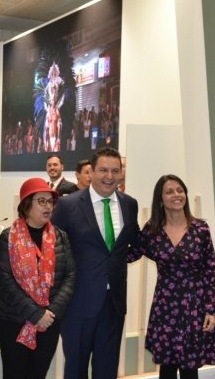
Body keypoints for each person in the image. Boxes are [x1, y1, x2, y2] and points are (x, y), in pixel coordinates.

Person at [51, 147, 139, 379]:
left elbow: (134, 243)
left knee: (107, 370)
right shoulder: (68, 205)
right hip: (78, 304)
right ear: (91, 172)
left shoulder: (130, 204)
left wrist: (115, 265)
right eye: (103, 170)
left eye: (115, 171)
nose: (109, 176)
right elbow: (54, 252)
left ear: (121, 173)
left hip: (114, 304)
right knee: (76, 369)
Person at [127, 174, 215, 379]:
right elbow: (130, 253)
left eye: (180, 190)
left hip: (194, 304)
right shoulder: (152, 230)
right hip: (166, 305)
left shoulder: (200, 229)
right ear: (160, 199)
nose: (176, 195)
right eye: (169, 191)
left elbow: (211, 269)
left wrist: (212, 309)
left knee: (190, 367)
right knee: (167, 366)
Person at [0, 178, 76, 379]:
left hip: (48, 321)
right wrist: (34, 313)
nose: (48, 206)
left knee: (38, 374)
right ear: (26, 204)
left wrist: (50, 313)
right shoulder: (9, 237)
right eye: (41, 201)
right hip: (14, 320)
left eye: (50, 202)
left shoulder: (60, 236)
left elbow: (70, 276)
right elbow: (6, 280)